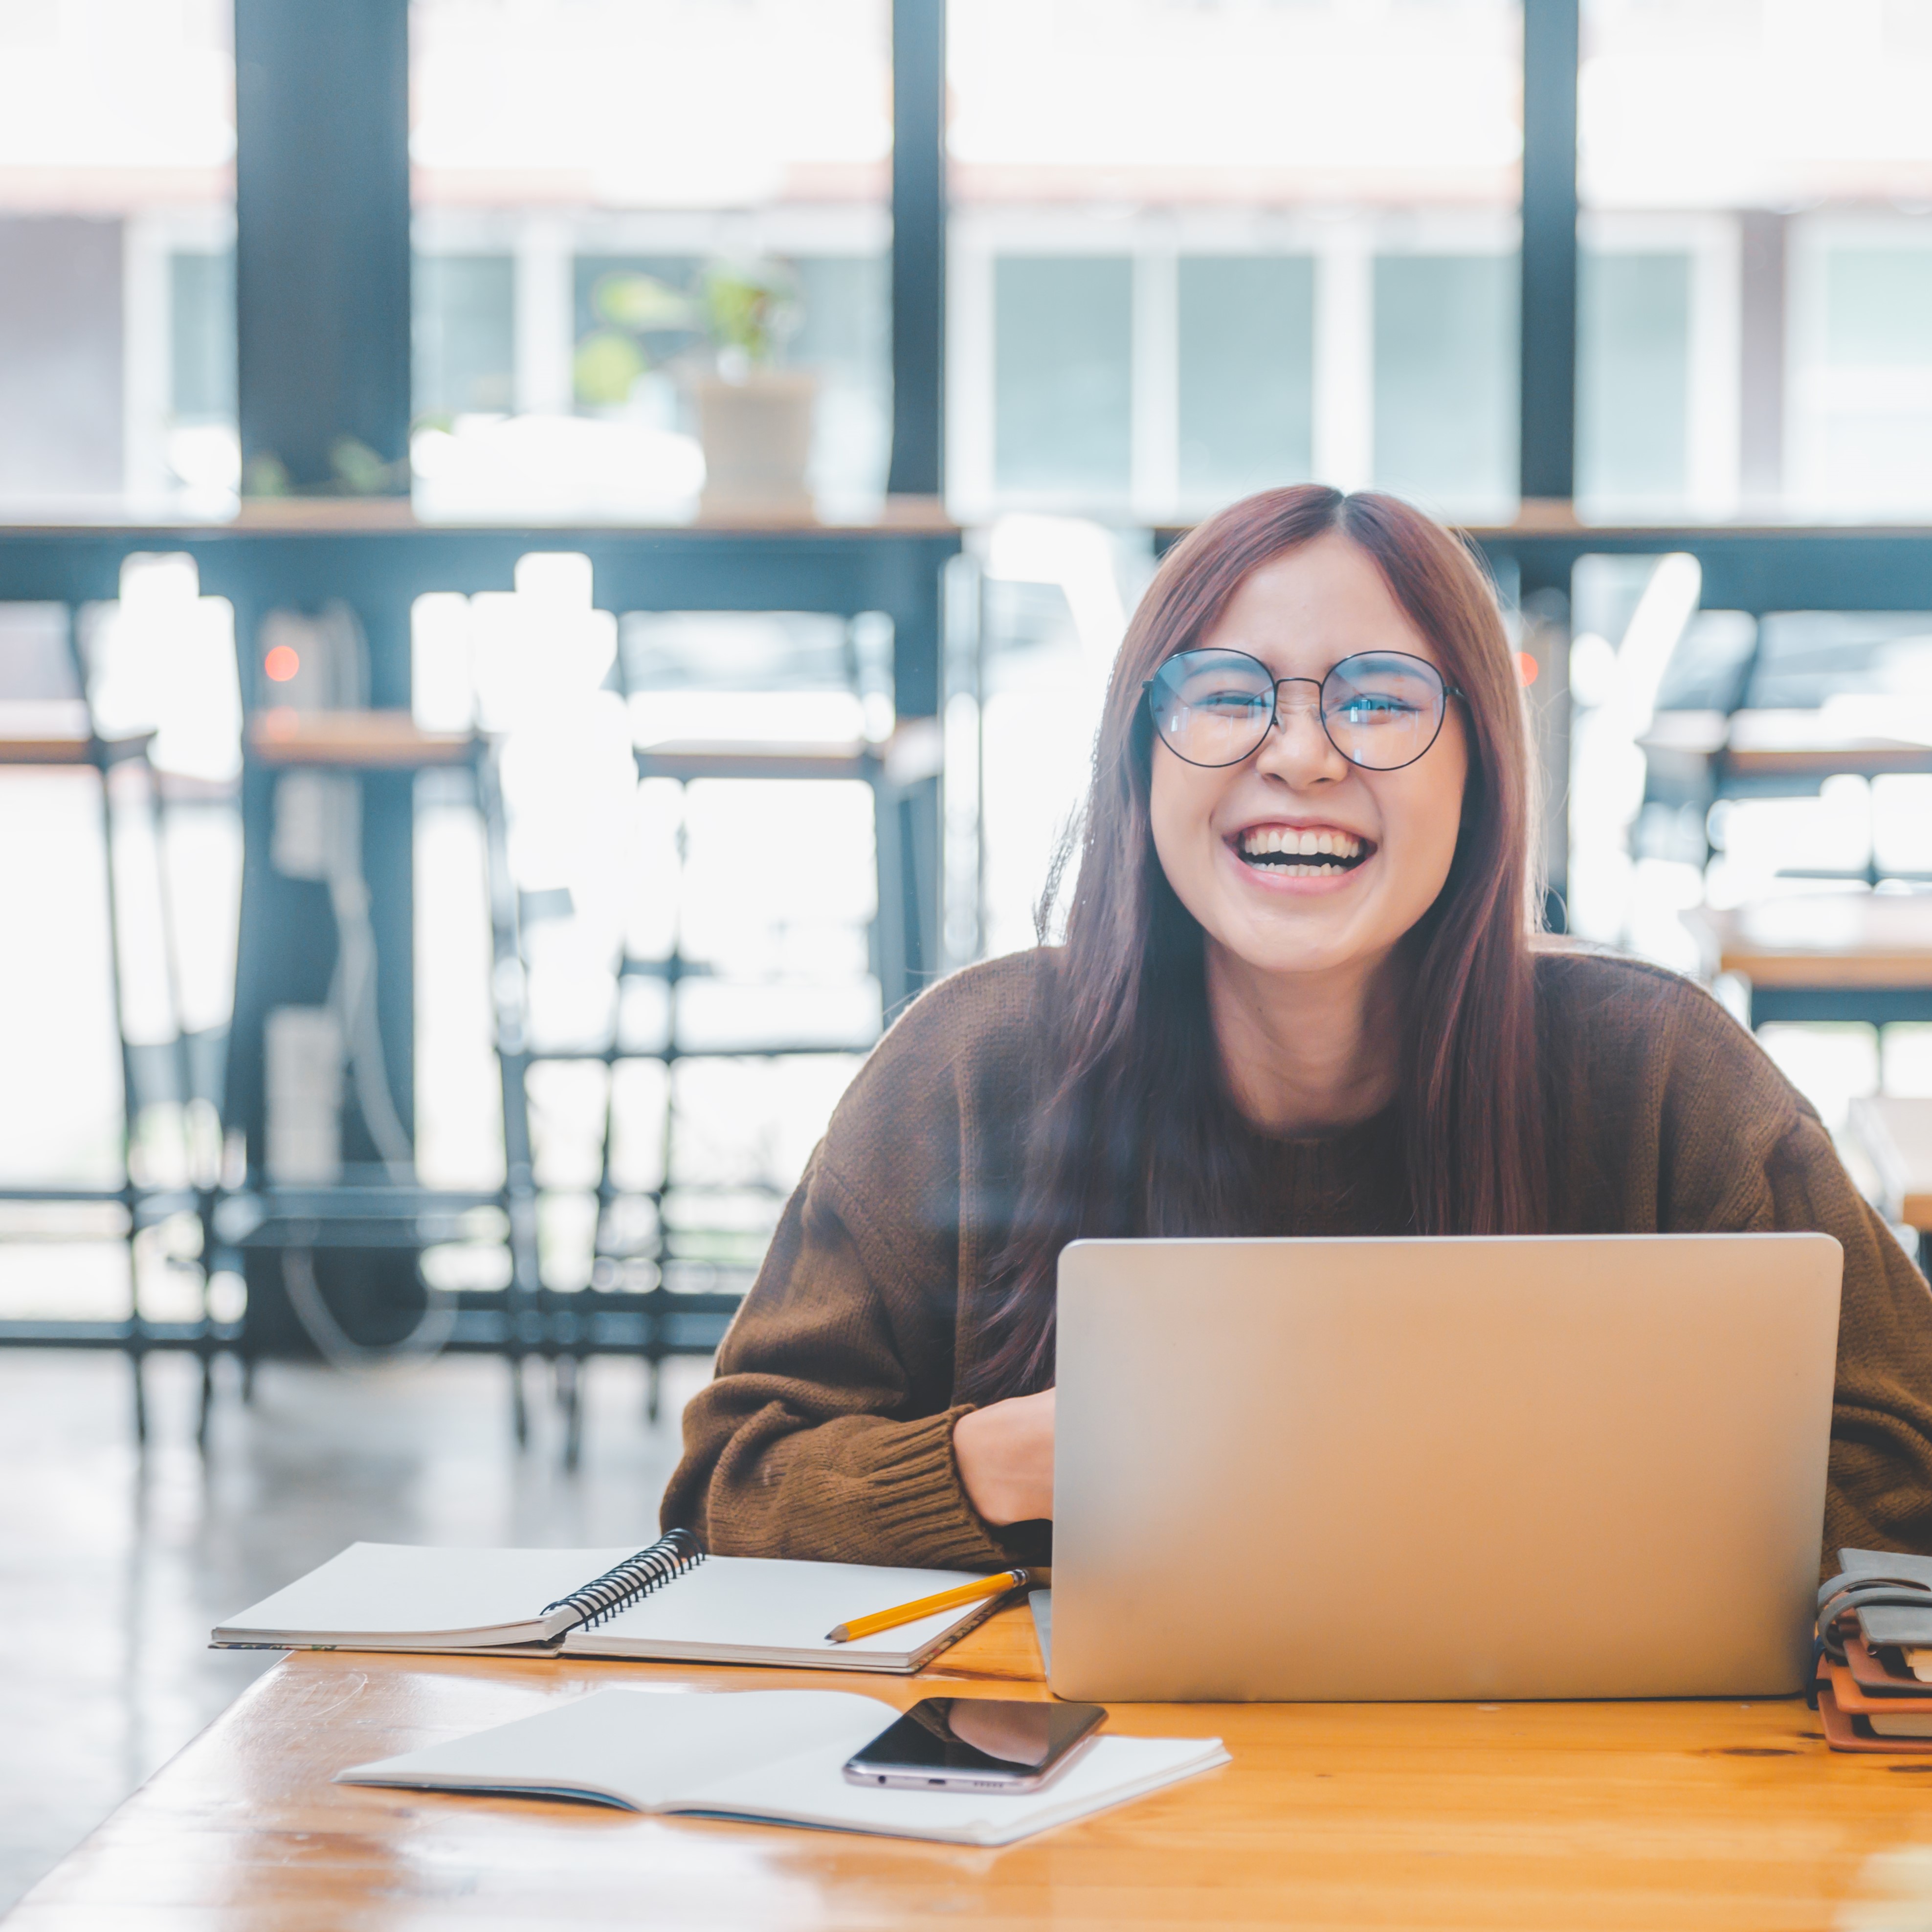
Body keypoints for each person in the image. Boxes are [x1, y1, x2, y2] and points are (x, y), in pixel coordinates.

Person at [661, 485, 1932, 1572]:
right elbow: (727, 1495)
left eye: (1380, 702)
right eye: (1226, 695)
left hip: (1563, 1798)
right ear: (1139, 760)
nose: (1304, 755)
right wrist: (1012, 1461)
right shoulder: (974, 1065)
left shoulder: (1655, 1070)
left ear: (1481, 770)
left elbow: (1904, 1479)